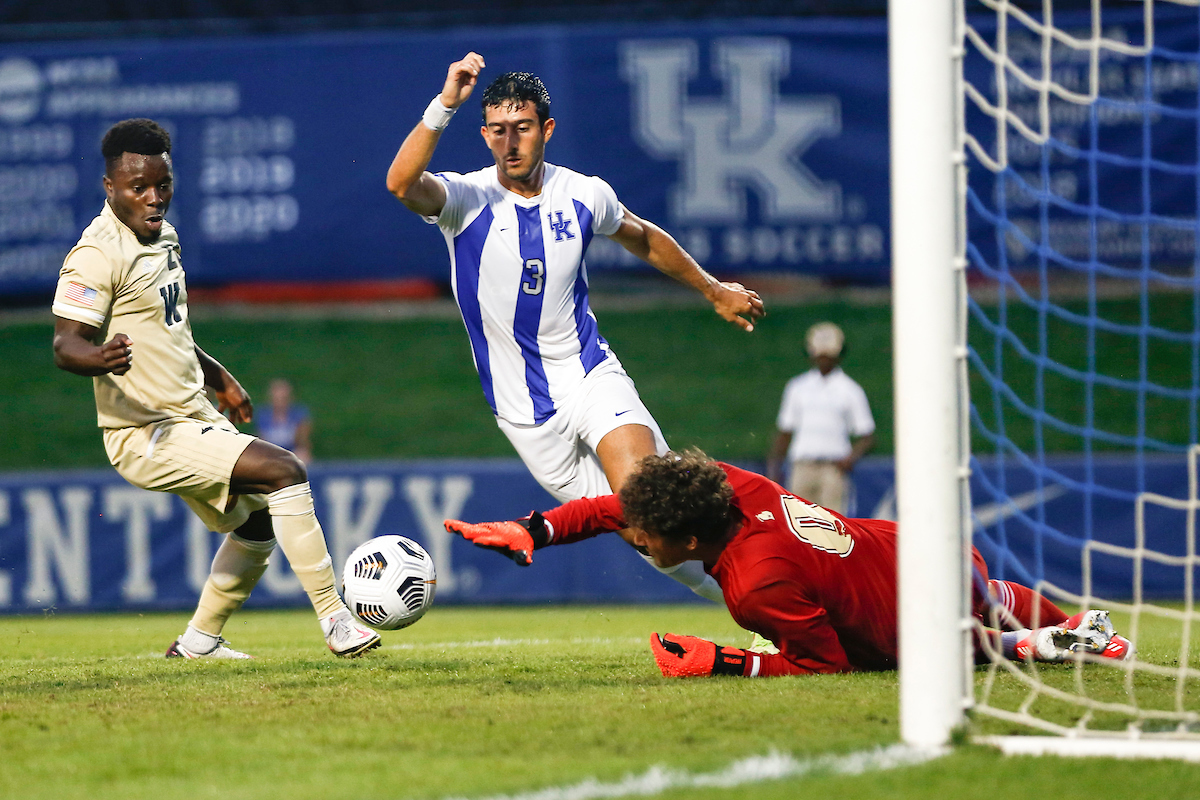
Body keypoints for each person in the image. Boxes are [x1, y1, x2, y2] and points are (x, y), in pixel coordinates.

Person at [385, 53, 764, 601]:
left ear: (547, 130)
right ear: (484, 133)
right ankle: (752, 602)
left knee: (651, 495)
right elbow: (401, 183)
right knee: (647, 534)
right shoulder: (465, 200)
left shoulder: (585, 194)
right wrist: (445, 104)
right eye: (496, 131)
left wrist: (713, 289)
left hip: (589, 375)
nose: (509, 143)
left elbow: (643, 236)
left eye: (522, 129)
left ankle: (790, 586)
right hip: (525, 413)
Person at [51, 118, 379, 659]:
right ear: (110, 188)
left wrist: (215, 373)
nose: (154, 199)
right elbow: (66, 345)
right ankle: (336, 619)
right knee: (286, 470)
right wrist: (100, 357)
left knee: (257, 521)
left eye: (164, 185)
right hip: (144, 431)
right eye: (139, 188)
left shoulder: (163, 235)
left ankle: (198, 641)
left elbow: (169, 327)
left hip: (190, 414)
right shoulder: (96, 254)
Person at [444, 449, 1134, 677]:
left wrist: (728, 663)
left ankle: (1030, 644)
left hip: (915, 625)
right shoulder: (729, 484)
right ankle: (1079, 629)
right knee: (989, 594)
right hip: (934, 551)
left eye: (647, 537)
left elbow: (828, 666)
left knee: (945, 644)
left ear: (688, 541)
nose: (639, 541)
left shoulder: (753, 588)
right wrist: (537, 527)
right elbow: (612, 507)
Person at [766, 322, 875, 515]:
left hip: (832, 468)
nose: (823, 360)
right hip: (802, 465)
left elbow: (867, 435)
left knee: (833, 524)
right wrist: (774, 468)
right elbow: (785, 430)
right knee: (799, 522)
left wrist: (849, 459)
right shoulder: (797, 387)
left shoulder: (850, 390)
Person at [256, 378, 313, 464]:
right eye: (277, 398)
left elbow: (303, 441)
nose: (280, 402)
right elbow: (262, 440)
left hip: (293, 451)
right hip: (271, 452)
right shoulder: (264, 415)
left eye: (283, 398)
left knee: (302, 455)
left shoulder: (298, 413)